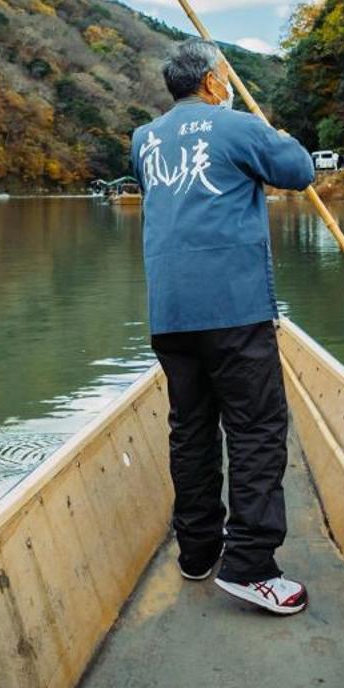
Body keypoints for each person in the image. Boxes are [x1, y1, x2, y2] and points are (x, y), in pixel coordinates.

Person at [132, 40, 316, 616]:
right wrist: (273, 130)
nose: (228, 85)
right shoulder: (237, 127)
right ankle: (251, 565)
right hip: (234, 310)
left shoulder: (143, 140)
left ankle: (197, 551)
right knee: (257, 428)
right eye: (226, 77)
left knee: (191, 427)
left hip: (170, 313)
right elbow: (300, 170)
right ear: (213, 83)